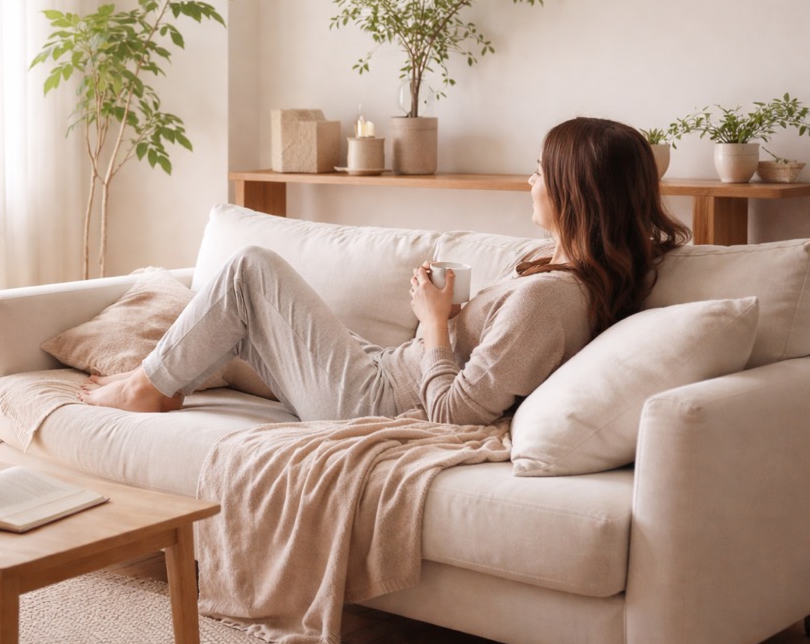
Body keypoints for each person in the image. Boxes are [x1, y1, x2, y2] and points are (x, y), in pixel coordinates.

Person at [80, 117, 691, 426]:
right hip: (377, 368)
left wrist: (434, 326)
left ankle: (145, 389)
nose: (531, 181)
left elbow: (455, 412)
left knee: (250, 269)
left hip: (372, 400)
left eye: (541, 171)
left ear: (576, 192)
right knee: (237, 319)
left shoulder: (552, 302)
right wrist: (446, 315)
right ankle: (161, 380)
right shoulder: (559, 276)